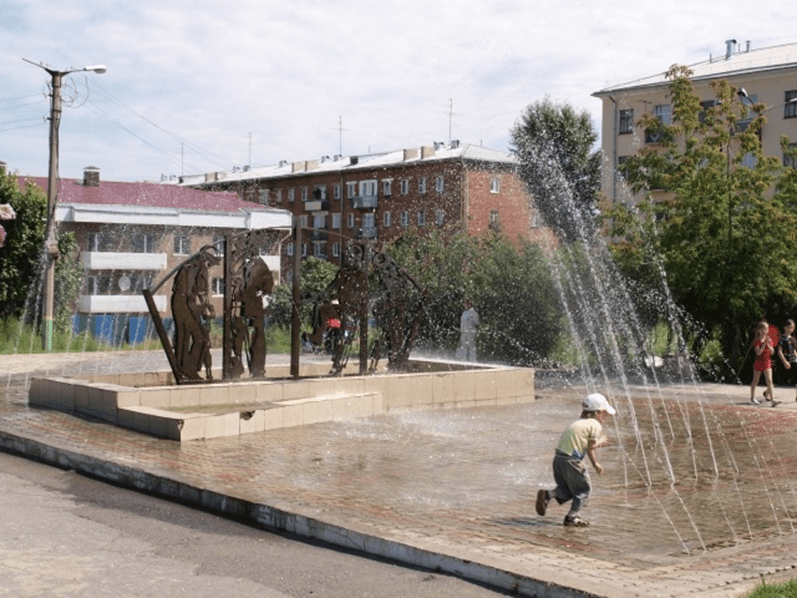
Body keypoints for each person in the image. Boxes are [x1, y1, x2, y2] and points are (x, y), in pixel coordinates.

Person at [535, 393, 616, 527]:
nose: (606, 416)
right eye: (604, 413)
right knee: (584, 489)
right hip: (572, 461)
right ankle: (571, 517)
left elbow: (585, 447)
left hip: (559, 459)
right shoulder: (595, 425)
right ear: (597, 413)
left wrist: (595, 463)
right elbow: (590, 447)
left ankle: (548, 494)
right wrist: (600, 443)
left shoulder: (578, 422)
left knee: (569, 489)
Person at [750, 320, 779, 406]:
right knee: (755, 380)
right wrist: (764, 345)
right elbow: (758, 352)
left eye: (766, 329)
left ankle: (773, 399)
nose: (765, 331)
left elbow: (772, 351)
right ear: (758, 330)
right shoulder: (757, 340)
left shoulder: (769, 339)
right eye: (763, 329)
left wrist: (768, 345)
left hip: (767, 362)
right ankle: (752, 398)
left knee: (769, 380)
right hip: (759, 362)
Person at [776, 319, 797, 401]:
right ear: (785, 327)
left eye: (793, 328)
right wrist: (784, 361)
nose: (791, 329)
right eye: (790, 327)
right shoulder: (782, 338)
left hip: (793, 360)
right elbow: (779, 351)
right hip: (785, 361)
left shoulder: (792, 339)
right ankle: (767, 392)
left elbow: (794, 350)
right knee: (779, 380)